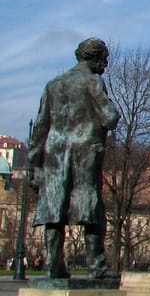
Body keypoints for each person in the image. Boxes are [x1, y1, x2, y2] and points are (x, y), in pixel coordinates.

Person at [29, 38, 120, 279]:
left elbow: (40, 127)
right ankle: (96, 267)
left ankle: (54, 266)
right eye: (105, 60)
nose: (106, 65)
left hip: (55, 151)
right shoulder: (93, 82)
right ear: (96, 58)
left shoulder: (53, 85)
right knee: (90, 206)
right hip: (84, 150)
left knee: (53, 208)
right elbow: (110, 117)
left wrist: (34, 164)